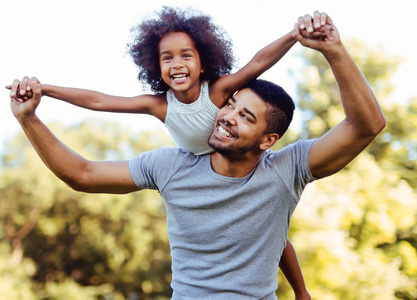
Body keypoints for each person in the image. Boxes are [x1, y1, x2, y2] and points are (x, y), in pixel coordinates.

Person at [8, 10, 386, 299]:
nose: (226, 117)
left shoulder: (288, 169)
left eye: (245, 117)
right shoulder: (170, 165)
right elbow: (83, 174)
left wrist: (333, 50)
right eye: (231, 105)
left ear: (268, 140)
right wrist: (30, 119)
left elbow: (365, 126)